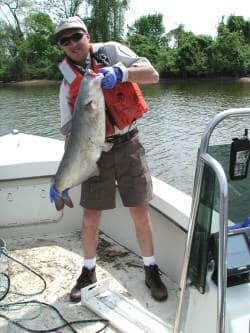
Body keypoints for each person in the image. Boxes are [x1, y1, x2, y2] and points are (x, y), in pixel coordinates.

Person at [52, 16, 168, 302]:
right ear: (62, 47)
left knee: (140, 212)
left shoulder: (112, 52)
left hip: (129, 145)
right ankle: (88, 270)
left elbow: (152, 75)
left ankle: (150, 268)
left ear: (87, 35)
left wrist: (123, 73)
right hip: (94, 154)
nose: (72, 44)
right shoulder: (67, 85)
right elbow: (70, 136)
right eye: (64, 41)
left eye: (76, 36)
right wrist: (62, 178)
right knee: (90, 218)